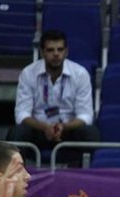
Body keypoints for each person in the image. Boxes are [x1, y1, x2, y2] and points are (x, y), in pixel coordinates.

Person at [7, 30, 100, 165]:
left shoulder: (80, 74)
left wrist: (63, 126)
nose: (56, 54)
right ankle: (20, 177)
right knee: (17, 133)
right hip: (39, 129)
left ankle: (80, 176)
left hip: (68, 130)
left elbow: (85, 115)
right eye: (50, 50)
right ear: (42, 52)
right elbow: (21, 114)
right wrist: (45, 127)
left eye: (60, 49)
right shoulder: (28, 73)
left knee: (91, 133)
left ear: (66, 51)